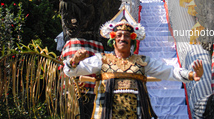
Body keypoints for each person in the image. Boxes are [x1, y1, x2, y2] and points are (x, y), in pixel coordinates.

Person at [64, 8, 204, 119]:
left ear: (132, 40)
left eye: (126, 36)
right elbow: (71, 71)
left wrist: (191, 74)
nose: (122, 38)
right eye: (119, 36)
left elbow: (168, 71)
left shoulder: (141, 61)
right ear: (113, 40)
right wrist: (74, 61)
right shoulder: (102, 59)